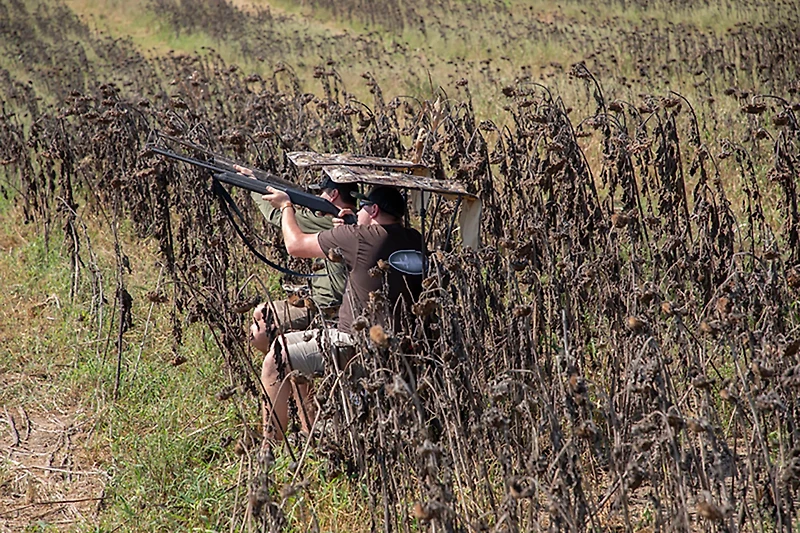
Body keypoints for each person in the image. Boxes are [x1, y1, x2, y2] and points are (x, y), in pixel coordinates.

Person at [251, 184, 423, 441]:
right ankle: (310, 429)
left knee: (276, 358)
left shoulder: (358, 238)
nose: (357, 211)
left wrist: (286, 206)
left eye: (362, 207)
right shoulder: (415, 239)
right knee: (285, 345)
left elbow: (295, 245)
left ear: (374, 210)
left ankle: (271, 446)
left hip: (355, 345)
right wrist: (348, 228)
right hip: (403, 347)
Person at [243, 169, 358, 338]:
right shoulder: (353, 222)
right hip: (316, 300)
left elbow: (276, 215)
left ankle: (278, 355)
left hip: (327, 308)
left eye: (322, 192)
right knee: (260, 311)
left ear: (333, 194)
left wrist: (252, 185)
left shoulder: (331, 221)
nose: (319, 196)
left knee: (259, 331)